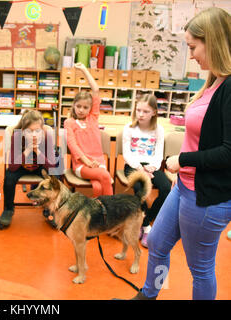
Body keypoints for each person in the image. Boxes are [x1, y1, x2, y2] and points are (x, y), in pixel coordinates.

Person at [124, 7, 231, 300]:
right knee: (157, 243)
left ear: (214, 41)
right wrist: (176, 169)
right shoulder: (213, 82)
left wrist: (180, 161)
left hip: (206, 196)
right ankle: (150, 295)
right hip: (184, 186)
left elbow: (227, 152)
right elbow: (199, 138)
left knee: (201, 268)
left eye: (193, 47)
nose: (192, 55)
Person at [122, 94, 171, 248]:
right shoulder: (129, 128)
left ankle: (145, 220)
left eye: (145, 111)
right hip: (133, 165)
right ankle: (146, 228)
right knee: (140, 190)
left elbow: (158, 153)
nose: (141, 114)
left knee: (166, 189)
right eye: (138, 110)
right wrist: (140, 169)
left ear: (154, 113)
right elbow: (127, 154)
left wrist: (153, 167)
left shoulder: (159, 130)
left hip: (151, 165)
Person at [0, 110, 57, 228]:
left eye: (37, 131)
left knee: (54, 176)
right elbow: (13, 166)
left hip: (40, 166)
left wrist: (37, 151)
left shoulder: (47, 137)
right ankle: (8, 209)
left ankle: (49, 209)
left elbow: (51, 166)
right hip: (21, 166)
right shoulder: (17, 136)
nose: (34, 135)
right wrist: (28, 150)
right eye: (30, 131)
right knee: (9, 176)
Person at [64, 62, 113, 198]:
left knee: (98, 185)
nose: (81, 110)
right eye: (78, 106)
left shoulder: (93, 118)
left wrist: (84, 70)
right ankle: (111, 208)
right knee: (105, 176)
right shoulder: (69, 122)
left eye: (85, 108)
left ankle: (99, 208)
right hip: (81, 165)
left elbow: (95, 90)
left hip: (98, 162)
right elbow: (73, 146)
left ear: (90, 109)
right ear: (73, 105)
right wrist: (87, 161)